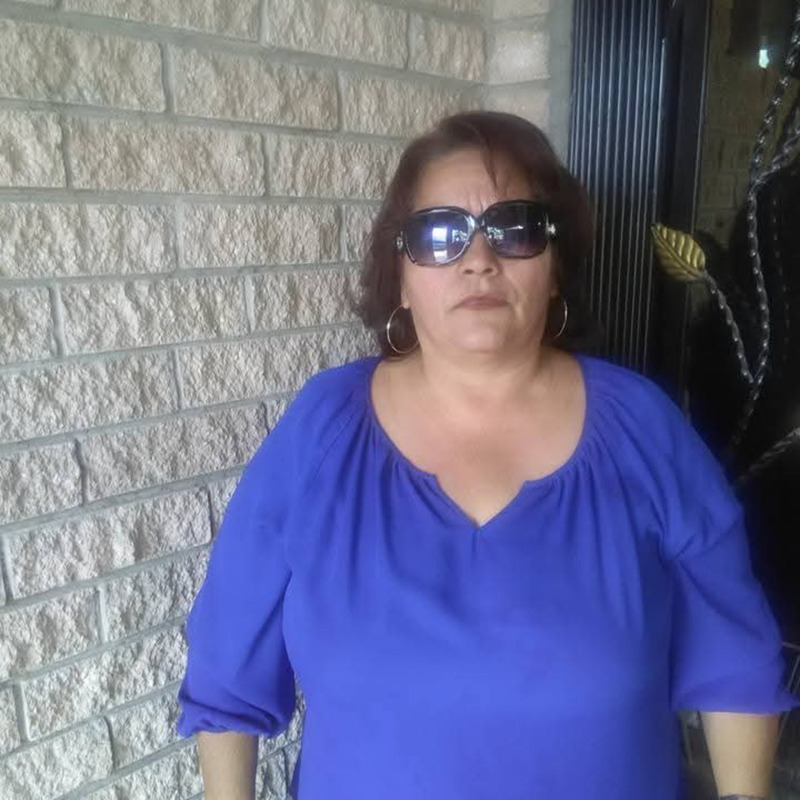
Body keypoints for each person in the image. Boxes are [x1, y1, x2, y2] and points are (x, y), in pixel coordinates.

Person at [176, 111, 799, 800]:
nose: (478, 258)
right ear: (401, 274)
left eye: (515, 228)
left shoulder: (644, 429)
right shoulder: (323, 433)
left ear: (555, 269)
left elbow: (736, 657)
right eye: (439, 233)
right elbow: (226, 662)